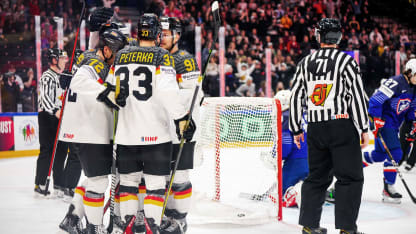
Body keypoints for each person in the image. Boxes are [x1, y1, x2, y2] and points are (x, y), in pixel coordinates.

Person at [110, 13, 195, 233]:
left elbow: (112, 89)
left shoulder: (121, 55)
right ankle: (151, 228)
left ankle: (128, 228)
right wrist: (182, 118)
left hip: (127, 134)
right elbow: (168, 92)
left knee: (128, 183)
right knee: (156, 187)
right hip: (155, 135)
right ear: (157, 33)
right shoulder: (161, 56)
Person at [289, 18, 369, 234]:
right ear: (339, 37)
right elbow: (358, 97)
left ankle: (309, 226)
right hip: (341, 125)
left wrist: (296, 128)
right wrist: (364, 127)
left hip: (315, 127)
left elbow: (296, 96)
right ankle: (346, 229)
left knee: (316, 177)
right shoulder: (346, 61)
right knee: (350, 177)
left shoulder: (305, 63)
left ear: (318, 37)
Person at [58, 27, 127, 234]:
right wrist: (107, 92)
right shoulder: (96, 63)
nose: (116, 59)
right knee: (98, 181)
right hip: (89, 130)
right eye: (115, 54)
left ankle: (73, 217)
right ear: (106, 50)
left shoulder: (91, 59)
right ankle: (94, 227)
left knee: (93, 177)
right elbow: (79, 81)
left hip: (82, 129)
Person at [159, 16, 202, 234]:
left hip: (181, 128)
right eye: (160, 33)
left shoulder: (184, 60)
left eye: (166, 33)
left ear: (177, 35)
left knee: (180, 176)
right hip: (160, 128)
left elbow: (191, 96)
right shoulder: (157, 57)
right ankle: (167, 216)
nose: (162, 37)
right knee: (164, 177)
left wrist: (185, 121)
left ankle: (180, 219)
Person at [363, 58, 416, 203]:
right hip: (384, 122)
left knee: (380, 155)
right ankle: (388, 188)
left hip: (394, 125)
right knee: (396, 153)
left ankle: (356, 161)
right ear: (410, 72)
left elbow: (411, 109)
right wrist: (376, 118)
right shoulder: (396, 82)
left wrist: (413, 122)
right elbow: (375, 100)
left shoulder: (414, 89)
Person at [34, 48, 69, 197]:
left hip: (59, 117)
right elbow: (45, 99)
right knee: (47, 150)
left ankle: (59, 184)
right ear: (54, 60)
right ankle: (40, 183)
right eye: (62, 59)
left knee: (61, 151)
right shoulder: (47, 76)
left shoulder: (61, 76)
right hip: (48, 117)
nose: (64, 62)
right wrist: (56, 111)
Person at [274, 90, 308, 208]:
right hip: (316, 160)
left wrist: (278, 156)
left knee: (280, 193)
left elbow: (286, 144)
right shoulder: (306, 113)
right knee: (313, 186)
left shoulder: (285, 116)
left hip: (297, 162)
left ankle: (292, 192)